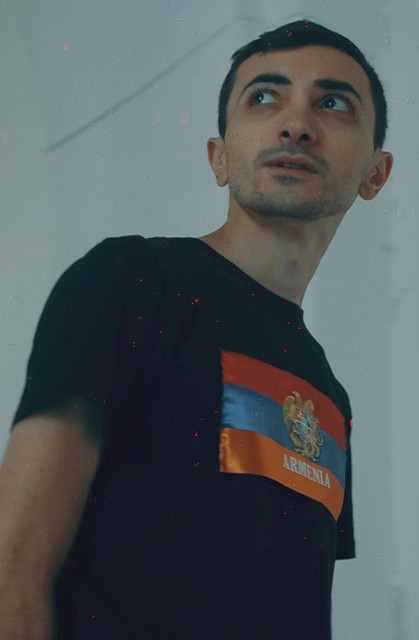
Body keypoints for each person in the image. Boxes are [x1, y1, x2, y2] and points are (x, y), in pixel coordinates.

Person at [0, 18, 393, 639]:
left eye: (333, 103)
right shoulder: (133, 280)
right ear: (219, 158)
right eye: (264, 97)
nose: (295, 124)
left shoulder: (328, 394)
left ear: (375, 173)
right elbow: (12, 574)